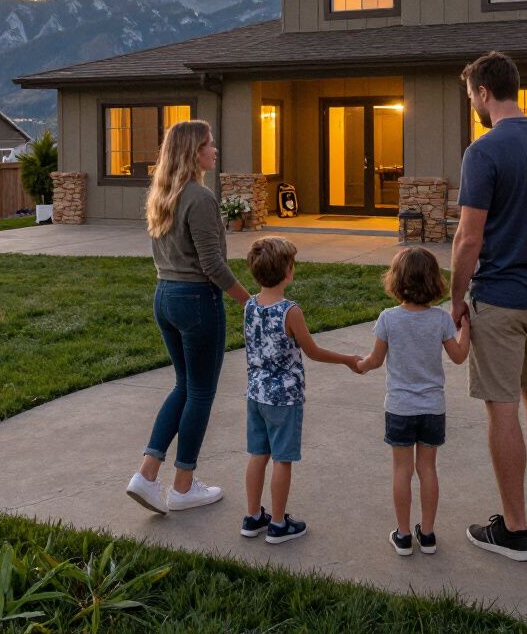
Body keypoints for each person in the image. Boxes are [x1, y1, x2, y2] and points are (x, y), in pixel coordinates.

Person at [450, 51, 527, 562]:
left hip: (500, 299)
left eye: (471, 97)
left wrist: (456, 299)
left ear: (483, 92)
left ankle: (514, 529)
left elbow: (467, 237)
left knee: (501, 405)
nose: (473, 105)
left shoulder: (484, 150)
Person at [126, 120, 251, 515]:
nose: (215, 150)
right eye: (209, 144)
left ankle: (146, 475)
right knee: (199, 392)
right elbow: (213, 265)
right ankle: (182, 486)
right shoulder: (199, 197)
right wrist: (250, 303)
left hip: (164, 295)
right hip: (196, 300)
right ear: (193, 152)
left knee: (184, 386)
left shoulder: (163, 195)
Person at [241, 236, 360, 544]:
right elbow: (313, 351)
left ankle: (253, 517)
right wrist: (347, 359)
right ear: (288, 271)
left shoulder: (250, 305)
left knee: (258, 454)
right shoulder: (290, 311)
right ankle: (279, 524)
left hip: (255, 393)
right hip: (284, 398)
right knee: (282, 458)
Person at [356, 246, 469, 556]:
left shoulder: (388, 319)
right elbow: (459, 357)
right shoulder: (441, 320)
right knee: (428, 470)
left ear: (396, 281)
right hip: (433, 408)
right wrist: (467, 330)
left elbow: (375, 360)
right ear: (434, 282)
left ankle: (404, 535)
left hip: (400, 408)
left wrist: (361, 364)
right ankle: (428, 534)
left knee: (402, 471)